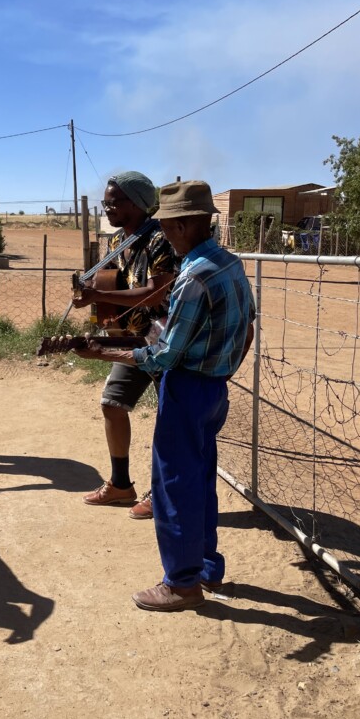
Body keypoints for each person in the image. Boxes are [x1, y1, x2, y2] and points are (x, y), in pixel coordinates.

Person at [75, 180, 255, 611]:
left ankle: (181, 583)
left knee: (173, 485)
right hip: (213, 388)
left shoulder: (193, 277)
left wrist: (100, 351)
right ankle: (206, 566)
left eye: (171, 226)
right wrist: (222, 367)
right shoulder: (229, 263)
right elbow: (248, 325)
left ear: (189, 225)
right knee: (199, 480)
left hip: (188, 387)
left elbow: (163, 354)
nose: (166, 234)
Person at [72, 171, 177, 520]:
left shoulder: (161, 240)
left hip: (165, 343)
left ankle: (161, 492)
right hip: (131, 340)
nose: (108, 207)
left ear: (137, 203)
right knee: (112, 404)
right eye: (106, 201)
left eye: (114, 201)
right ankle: (120, 485)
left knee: (170, 421)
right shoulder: (120, 242)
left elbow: (156, 292)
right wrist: (102, 311)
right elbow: (113, 284)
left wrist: (98, 294)